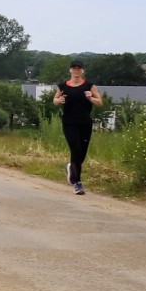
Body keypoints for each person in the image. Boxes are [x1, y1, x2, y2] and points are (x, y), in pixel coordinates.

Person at [54, 59, 102, 194]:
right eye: (74, 68)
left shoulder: (89, 86)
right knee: (75, 150)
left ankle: (72, 168)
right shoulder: (63, 86)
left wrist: (91, 98)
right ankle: (78, 183)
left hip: (85, 123)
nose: (76, 70)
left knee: (82, 153)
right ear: (70, 70)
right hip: (69, 123)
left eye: (79, 68)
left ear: (82, 70)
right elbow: (55, 99)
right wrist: (59, 100)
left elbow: (99, 102)